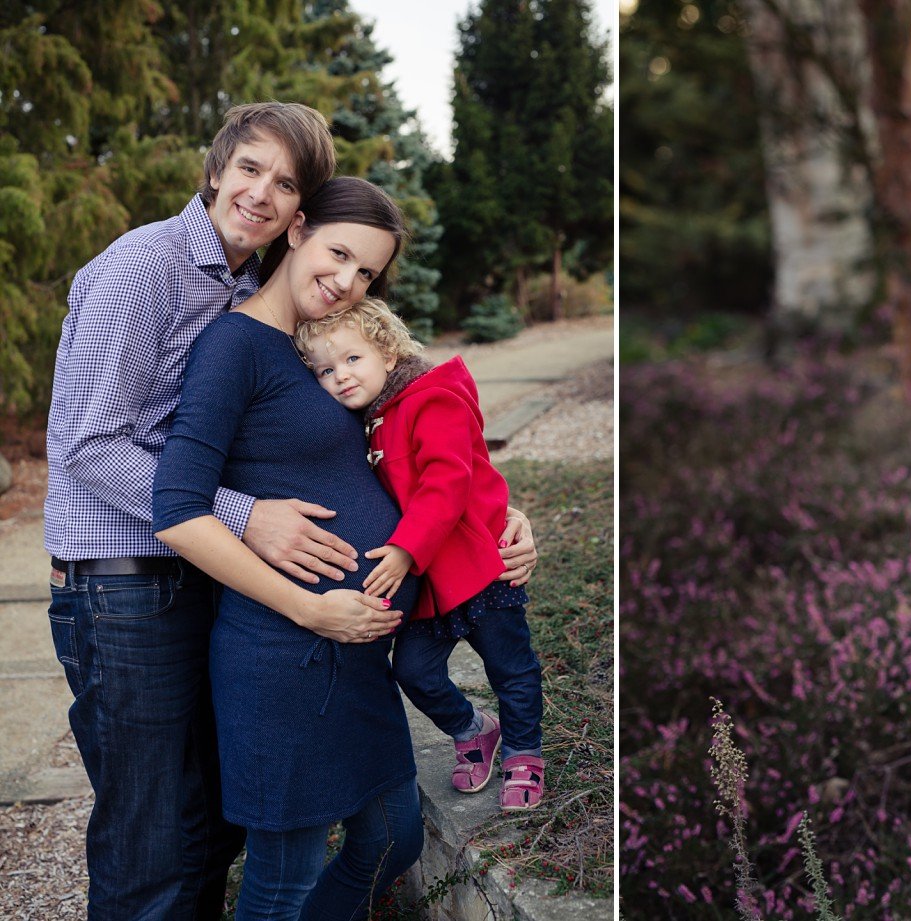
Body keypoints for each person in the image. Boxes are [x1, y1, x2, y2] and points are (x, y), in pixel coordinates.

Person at [45, 102, 367, 921]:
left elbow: (363, 374)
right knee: (149, 840)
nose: (261, 192)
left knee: (210, 829)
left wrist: (482, 499)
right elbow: (91, 442)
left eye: (286, 183)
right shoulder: (142, 266)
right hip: (120, 589)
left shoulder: (253, 288)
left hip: (202, 579)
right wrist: (241, 513)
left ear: (302, 214)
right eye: (251, 168)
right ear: (216, 168)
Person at [151, 177, 420, 919]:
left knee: (396, 836)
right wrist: (311, 609)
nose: (348, 281)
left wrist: (496, 513)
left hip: (354, 654)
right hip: (282, 656)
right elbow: (175, 510)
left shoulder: (319, 349)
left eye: (367, 271)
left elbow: (403, 452)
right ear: (296, 230)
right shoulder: (234, 344)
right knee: (284, 876)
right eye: (339, 253)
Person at [296, 298, 549, 811]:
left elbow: (448, 481)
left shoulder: (431, 400)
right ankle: (473, 729)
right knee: (414, 669)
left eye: (351, 360)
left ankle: (524, 752)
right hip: (431, 585)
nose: (340, 377)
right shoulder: (369, 420)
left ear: (387, 354)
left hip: (479, 568)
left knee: (510, 667)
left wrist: (405, 550)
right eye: (324, 370)